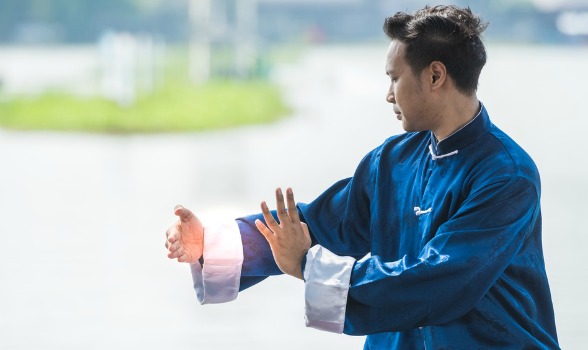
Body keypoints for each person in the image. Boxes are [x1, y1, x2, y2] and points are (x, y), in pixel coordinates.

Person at [165, 5, 559, 349]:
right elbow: (320, 224)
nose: (388, 94)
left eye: (394, 78)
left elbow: (440, 279)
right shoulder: (392, 160)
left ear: (436, 76)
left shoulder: (507, 175)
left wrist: (307, 265)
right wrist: (211, 244)